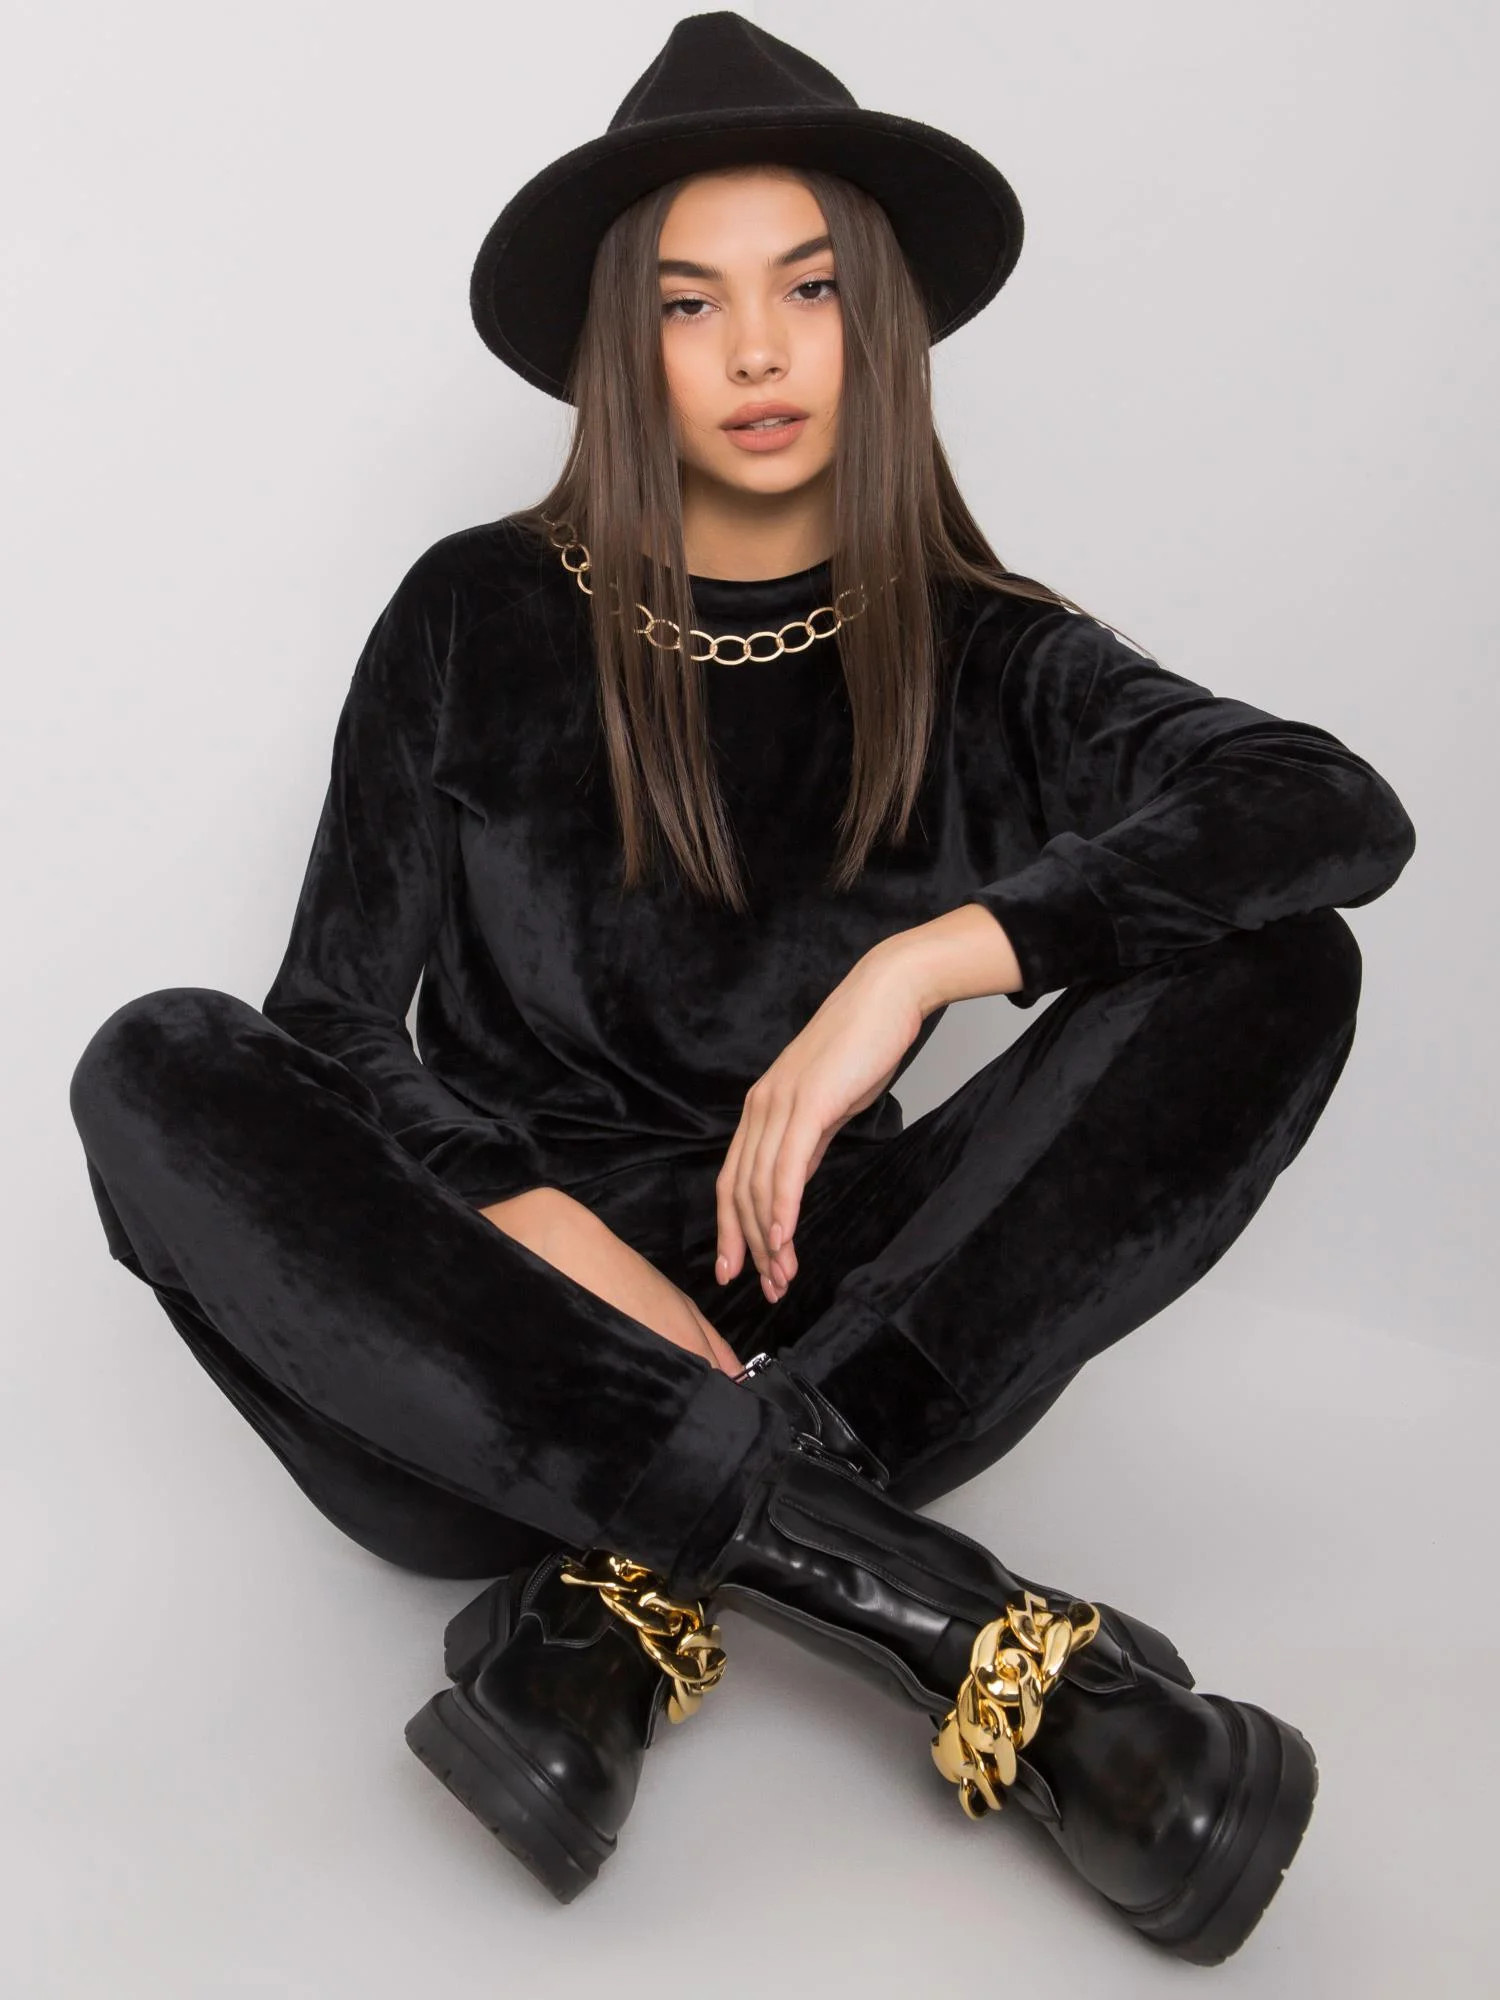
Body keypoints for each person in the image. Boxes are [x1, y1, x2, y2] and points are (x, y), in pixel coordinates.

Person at [67, 9, 1416, 1967]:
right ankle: (990, 1651)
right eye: (691, 306)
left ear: (883, 320)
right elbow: (335, 1022)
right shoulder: (474, 609)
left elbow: (1326, 804)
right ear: (628, 350)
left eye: (808, 288)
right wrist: (530, 1222)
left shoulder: (985, 650)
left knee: (1280, 956)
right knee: (157, 1061)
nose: (760, 351)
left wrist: (926, 962)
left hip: (843, 1319)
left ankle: (608, 1621)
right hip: (480, 1358)